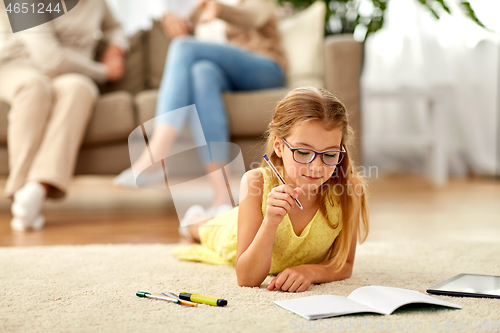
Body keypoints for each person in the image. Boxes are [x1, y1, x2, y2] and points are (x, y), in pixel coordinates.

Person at [170, 87, 370, 292]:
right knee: (200, 229)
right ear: (279, 146)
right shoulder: (255, 183)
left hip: (247, 216)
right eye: (303, 152)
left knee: (221, 215)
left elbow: (344, 265)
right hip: (230, 232)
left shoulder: (350, 189)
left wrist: (309, 272)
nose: (317, 167)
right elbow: (247, 278)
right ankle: (196, 217)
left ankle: (217, 213)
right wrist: (270, 222)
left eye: (329, 155)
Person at [113, 0, 288, 218]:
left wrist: (219, 8)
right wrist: (173, 17)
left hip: (265, 69)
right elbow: (191, 27)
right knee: (201, 73)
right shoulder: (201, 7)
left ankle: (156, 153)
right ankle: (222, 197)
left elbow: (252, 16)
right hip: (223, 74)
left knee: (183, 46)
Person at [0, 0, 128, 231]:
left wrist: (116, 47)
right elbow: (50, 58)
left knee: (79, 88)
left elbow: (116, 27)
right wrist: (103, 72)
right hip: (19, 67)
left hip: (70, 74)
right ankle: (20, 191)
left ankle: (36, 189)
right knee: (34, 87)